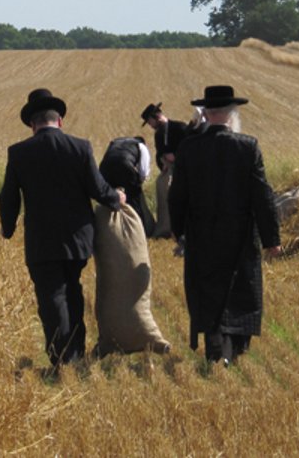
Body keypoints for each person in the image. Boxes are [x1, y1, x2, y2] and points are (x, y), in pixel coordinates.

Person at [0, 88, 126, 373]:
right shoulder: (81, 147)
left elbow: (8, 197)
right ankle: (76, 351)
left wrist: (7, 229)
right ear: (60, 121)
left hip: (41, 241)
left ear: (32, 124)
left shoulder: (19, 152)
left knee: (51, 297)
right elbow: (98, 188)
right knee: (73, 291)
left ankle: (62, 357)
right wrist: (116, 199)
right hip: (78, 239)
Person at [168, 85, 282, 365]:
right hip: (240, 234)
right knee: (240, 289)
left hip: (201, 233)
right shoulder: (248, 146)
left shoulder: (189, 148)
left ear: (206, 114)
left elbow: (177, 194)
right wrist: (272, 239)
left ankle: (217, 350)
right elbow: (262, 197)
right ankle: (234, 351)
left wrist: (178, 229)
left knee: (207, 289)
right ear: (232, 114)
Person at [141, 102, 193, 239]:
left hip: (184, 172)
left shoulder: (180, 127)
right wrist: (162, 162)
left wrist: (176, 156)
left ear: (156, 116)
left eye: (150, 121)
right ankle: (166, 228)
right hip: (168, 172)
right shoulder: (158, 135)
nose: (150, 125)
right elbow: (159, 154)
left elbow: (190, 148)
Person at [99, 135, 154, 236]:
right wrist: (137, 184)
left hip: (104, 168)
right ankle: (139, 230)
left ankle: (107, 230)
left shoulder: (115, 141)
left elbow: (108, 157)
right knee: (134, 199)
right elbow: (143, 172)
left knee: (108, 199)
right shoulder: (141, 146)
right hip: (124, 165)